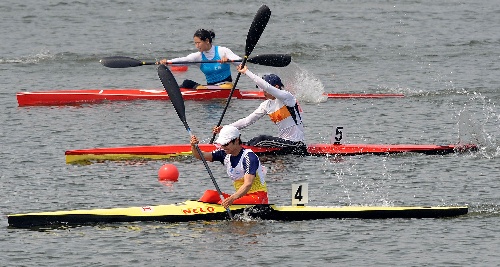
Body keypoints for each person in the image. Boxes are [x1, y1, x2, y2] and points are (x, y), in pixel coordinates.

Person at [214, 65, 307, 155]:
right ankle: (233, 147)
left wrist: (246, 72)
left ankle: (237, 149)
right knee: (255, 140)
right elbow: (247, 121)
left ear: (277, 87)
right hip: (283, 141)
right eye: (262, 90)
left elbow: (267, 87)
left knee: (262, 139)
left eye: (264, 90)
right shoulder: (267, 105)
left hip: (296, 143)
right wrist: (226, 128)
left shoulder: (287, 97)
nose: (263, 92)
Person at [190, 125, 268, 209]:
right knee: (209, 194)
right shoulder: (224, 153)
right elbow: (200, 156)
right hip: (240, 197)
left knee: (221, 203)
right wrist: (193, 146)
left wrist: (232, 198)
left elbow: (247, 184)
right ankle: (195, 210)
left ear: (237, 141)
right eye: (221, 144)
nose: (223, 147)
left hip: (258, 198)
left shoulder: (249, 157)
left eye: (226, 144)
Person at [159, 29, 241, 89]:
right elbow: (184, 60)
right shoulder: (198, 56)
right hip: (210, 88)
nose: (197, 46)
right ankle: (174, 93)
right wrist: (168, 62)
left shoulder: (222, 51)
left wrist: (229, 60)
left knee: (187, 83)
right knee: (186, 83)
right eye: (195, 43)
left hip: (227, 87)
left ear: (207, 41)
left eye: (198, 43)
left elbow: (240, 61)